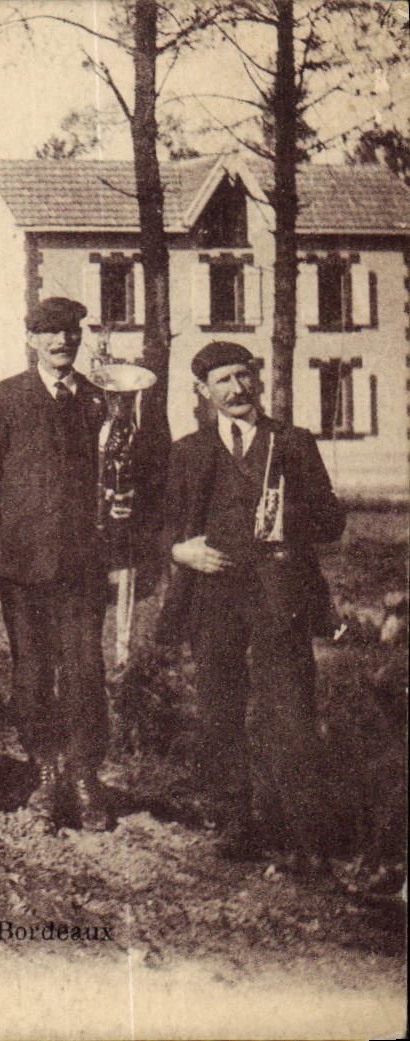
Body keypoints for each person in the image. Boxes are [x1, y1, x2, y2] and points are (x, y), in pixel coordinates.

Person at [159, 341, 345, 876]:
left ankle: (304, 835)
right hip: (212, 599)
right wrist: (179, 550)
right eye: (223, 381)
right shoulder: (188, 451)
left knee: (290, 711)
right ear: (203, 391)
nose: (237, 390)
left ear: (258, 381)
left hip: (278, 598)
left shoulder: (292, 442)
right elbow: (165, 527)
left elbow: (332, 521)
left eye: (244, 377)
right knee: (220, 711)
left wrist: (294, 521)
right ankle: (235, 823)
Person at [0, 296, 116, 831]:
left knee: (84, 672)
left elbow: (121, 478)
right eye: (49, 334)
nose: (61, 343)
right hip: (21, 567)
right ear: (31, 340)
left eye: (70, 333)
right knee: (32, 675)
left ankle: (83, 776)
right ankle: (46, 774)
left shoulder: (102, 400)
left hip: (81, 569)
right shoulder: (4, 398)